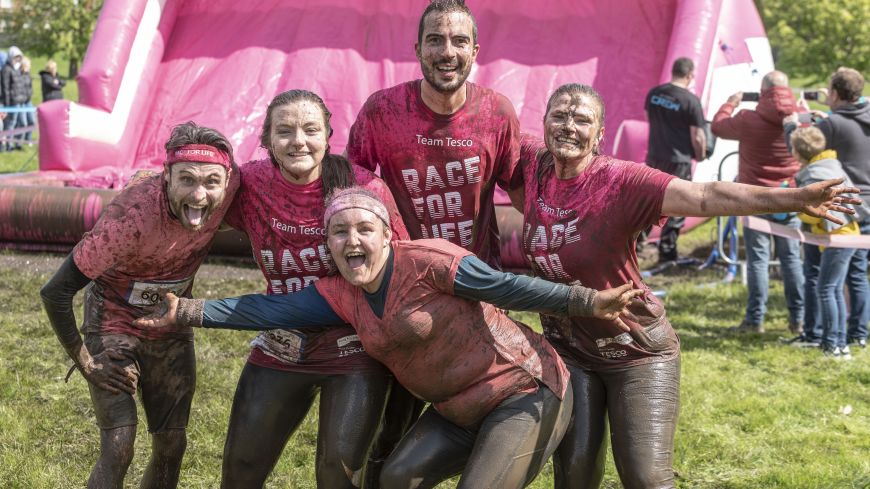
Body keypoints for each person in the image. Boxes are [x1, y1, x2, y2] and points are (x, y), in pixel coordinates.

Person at [136, 186, 647, 489]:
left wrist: (586, 300)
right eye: (339, 233)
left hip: (523, 393)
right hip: (455, 413)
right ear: (330, 244)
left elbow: (507, 286)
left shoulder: (430, 261)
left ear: (386, 234)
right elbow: (266, 308)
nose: (352, 241)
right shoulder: (340, 294)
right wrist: (188, 310)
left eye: (363, 229)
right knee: (396, 480)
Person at [513, 83, 858, 489]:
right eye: (560, 116)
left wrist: (794, 198)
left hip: (636, 350)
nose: (569, 126)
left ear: (600, 133)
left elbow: (706, 195)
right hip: (570, 350)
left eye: (582, 119)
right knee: (574, 477)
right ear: (545, 121)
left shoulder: (621, 181)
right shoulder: (534, 165)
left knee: (645, 478)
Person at [345, 1, 521, 481]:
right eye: (436, 40)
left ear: (476, 50)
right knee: (389, 424)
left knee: (483, 406)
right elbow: (349, 189)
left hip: (475, 290)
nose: (448, 51)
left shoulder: (497, 112)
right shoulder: (383, 111)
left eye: (459, 41)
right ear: (417, 49)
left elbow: (523, 189)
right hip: (402, 292)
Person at [219, 89, 409, 488]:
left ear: (328, 135)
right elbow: (196, 196)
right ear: (267, 139)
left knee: (335, 476)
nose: (298, 141)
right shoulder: (251, 183)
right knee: (240, 472)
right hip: (281, 343)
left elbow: (403, 266)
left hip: (352, 347)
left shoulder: (364, 190)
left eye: (310, 129)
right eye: (284, 131)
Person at [39, 122, 239, 489]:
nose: (199, 196)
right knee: (119, 446)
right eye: (187, 180)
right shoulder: (129, 220)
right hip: (112, 321)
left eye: (211, 182)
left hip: (170, 324)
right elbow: (55, 292)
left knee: (172, 442)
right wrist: (86, 362)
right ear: (166, 176)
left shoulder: (233, 187)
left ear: (227, 181)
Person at [711, 71, 804, 334]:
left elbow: (718, 126)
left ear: (762, 93)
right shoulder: (798, 121)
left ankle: (755, 320)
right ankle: (798, 319)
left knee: (758, 261)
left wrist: (731, 102)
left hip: (755, 199)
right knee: (792, 260)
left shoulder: (747, 119)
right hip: (789, 198)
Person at [795, 68, 870, 350]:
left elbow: (808, 148)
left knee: (820, 273)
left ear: (835, 93)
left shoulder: (832, 124)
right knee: (858, 273)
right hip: (867, 205)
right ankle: (859, 334)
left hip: (839, 204)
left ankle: (820, 333)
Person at [643, 57, 707, 262]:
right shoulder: (690, 101)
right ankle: (667, 253)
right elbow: (698, 135)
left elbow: (650, 119)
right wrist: (702, 154)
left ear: (673, 72)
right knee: (679, 204)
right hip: (678, 160)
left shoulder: (654, 94)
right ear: (690, 75)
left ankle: (635, 246)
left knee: (648, 202)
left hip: (655, 156)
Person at [1, 46, 25, 152]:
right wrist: (6, 105)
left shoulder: (18, 68)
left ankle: (17, 143)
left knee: (20, 123)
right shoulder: (6, 69)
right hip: (11, 102)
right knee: (10, 124)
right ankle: (8, 145)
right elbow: (5, 87)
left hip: (20, 101)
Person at [15, 56, 35, 146]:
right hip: (21, 102)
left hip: (28, 101)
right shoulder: (18, 75)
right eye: (28, 65)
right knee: (23, 123)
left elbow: (30, 87)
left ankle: (28, 139)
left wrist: (30, 94)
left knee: (32, 121)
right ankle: (18, 142)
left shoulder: (28, 75)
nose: (29, 67)